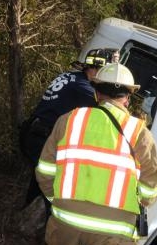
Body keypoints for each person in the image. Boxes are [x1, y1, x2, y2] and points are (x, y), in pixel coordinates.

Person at [29, 63, 157, 245]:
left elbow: (44, 171)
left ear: (97, 93)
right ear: (128, 96)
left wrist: (58, 201)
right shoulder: (139, 132)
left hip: (67, 218)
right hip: (113, 229)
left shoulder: (69, 120)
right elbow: (150, 189)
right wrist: (132, 202)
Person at [19, 48, 120, 209]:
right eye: (106, 72)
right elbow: (108, 108)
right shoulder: (84, 87)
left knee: (40, 177)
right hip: (42, 135)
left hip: (35, 132)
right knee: (54, 183)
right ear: (96, 68)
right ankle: (46, 222)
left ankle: (26, 212)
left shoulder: (72, 77)